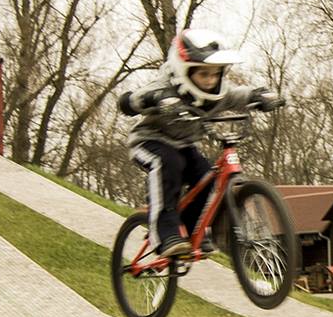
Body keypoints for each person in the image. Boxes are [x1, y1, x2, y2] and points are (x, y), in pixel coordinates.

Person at [118, 29, 284, 257]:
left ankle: (189, 230)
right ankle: (166, 233)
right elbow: (131, 101)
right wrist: (154, 100)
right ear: (184, 70)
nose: (210, 80)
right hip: (148, 142)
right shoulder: (165, 88)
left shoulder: (217, 93)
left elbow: (238, 95)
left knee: (208, 178)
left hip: (184, 146)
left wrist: (259, 96)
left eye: (215, 74)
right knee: (169, 164)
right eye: (203, 74)